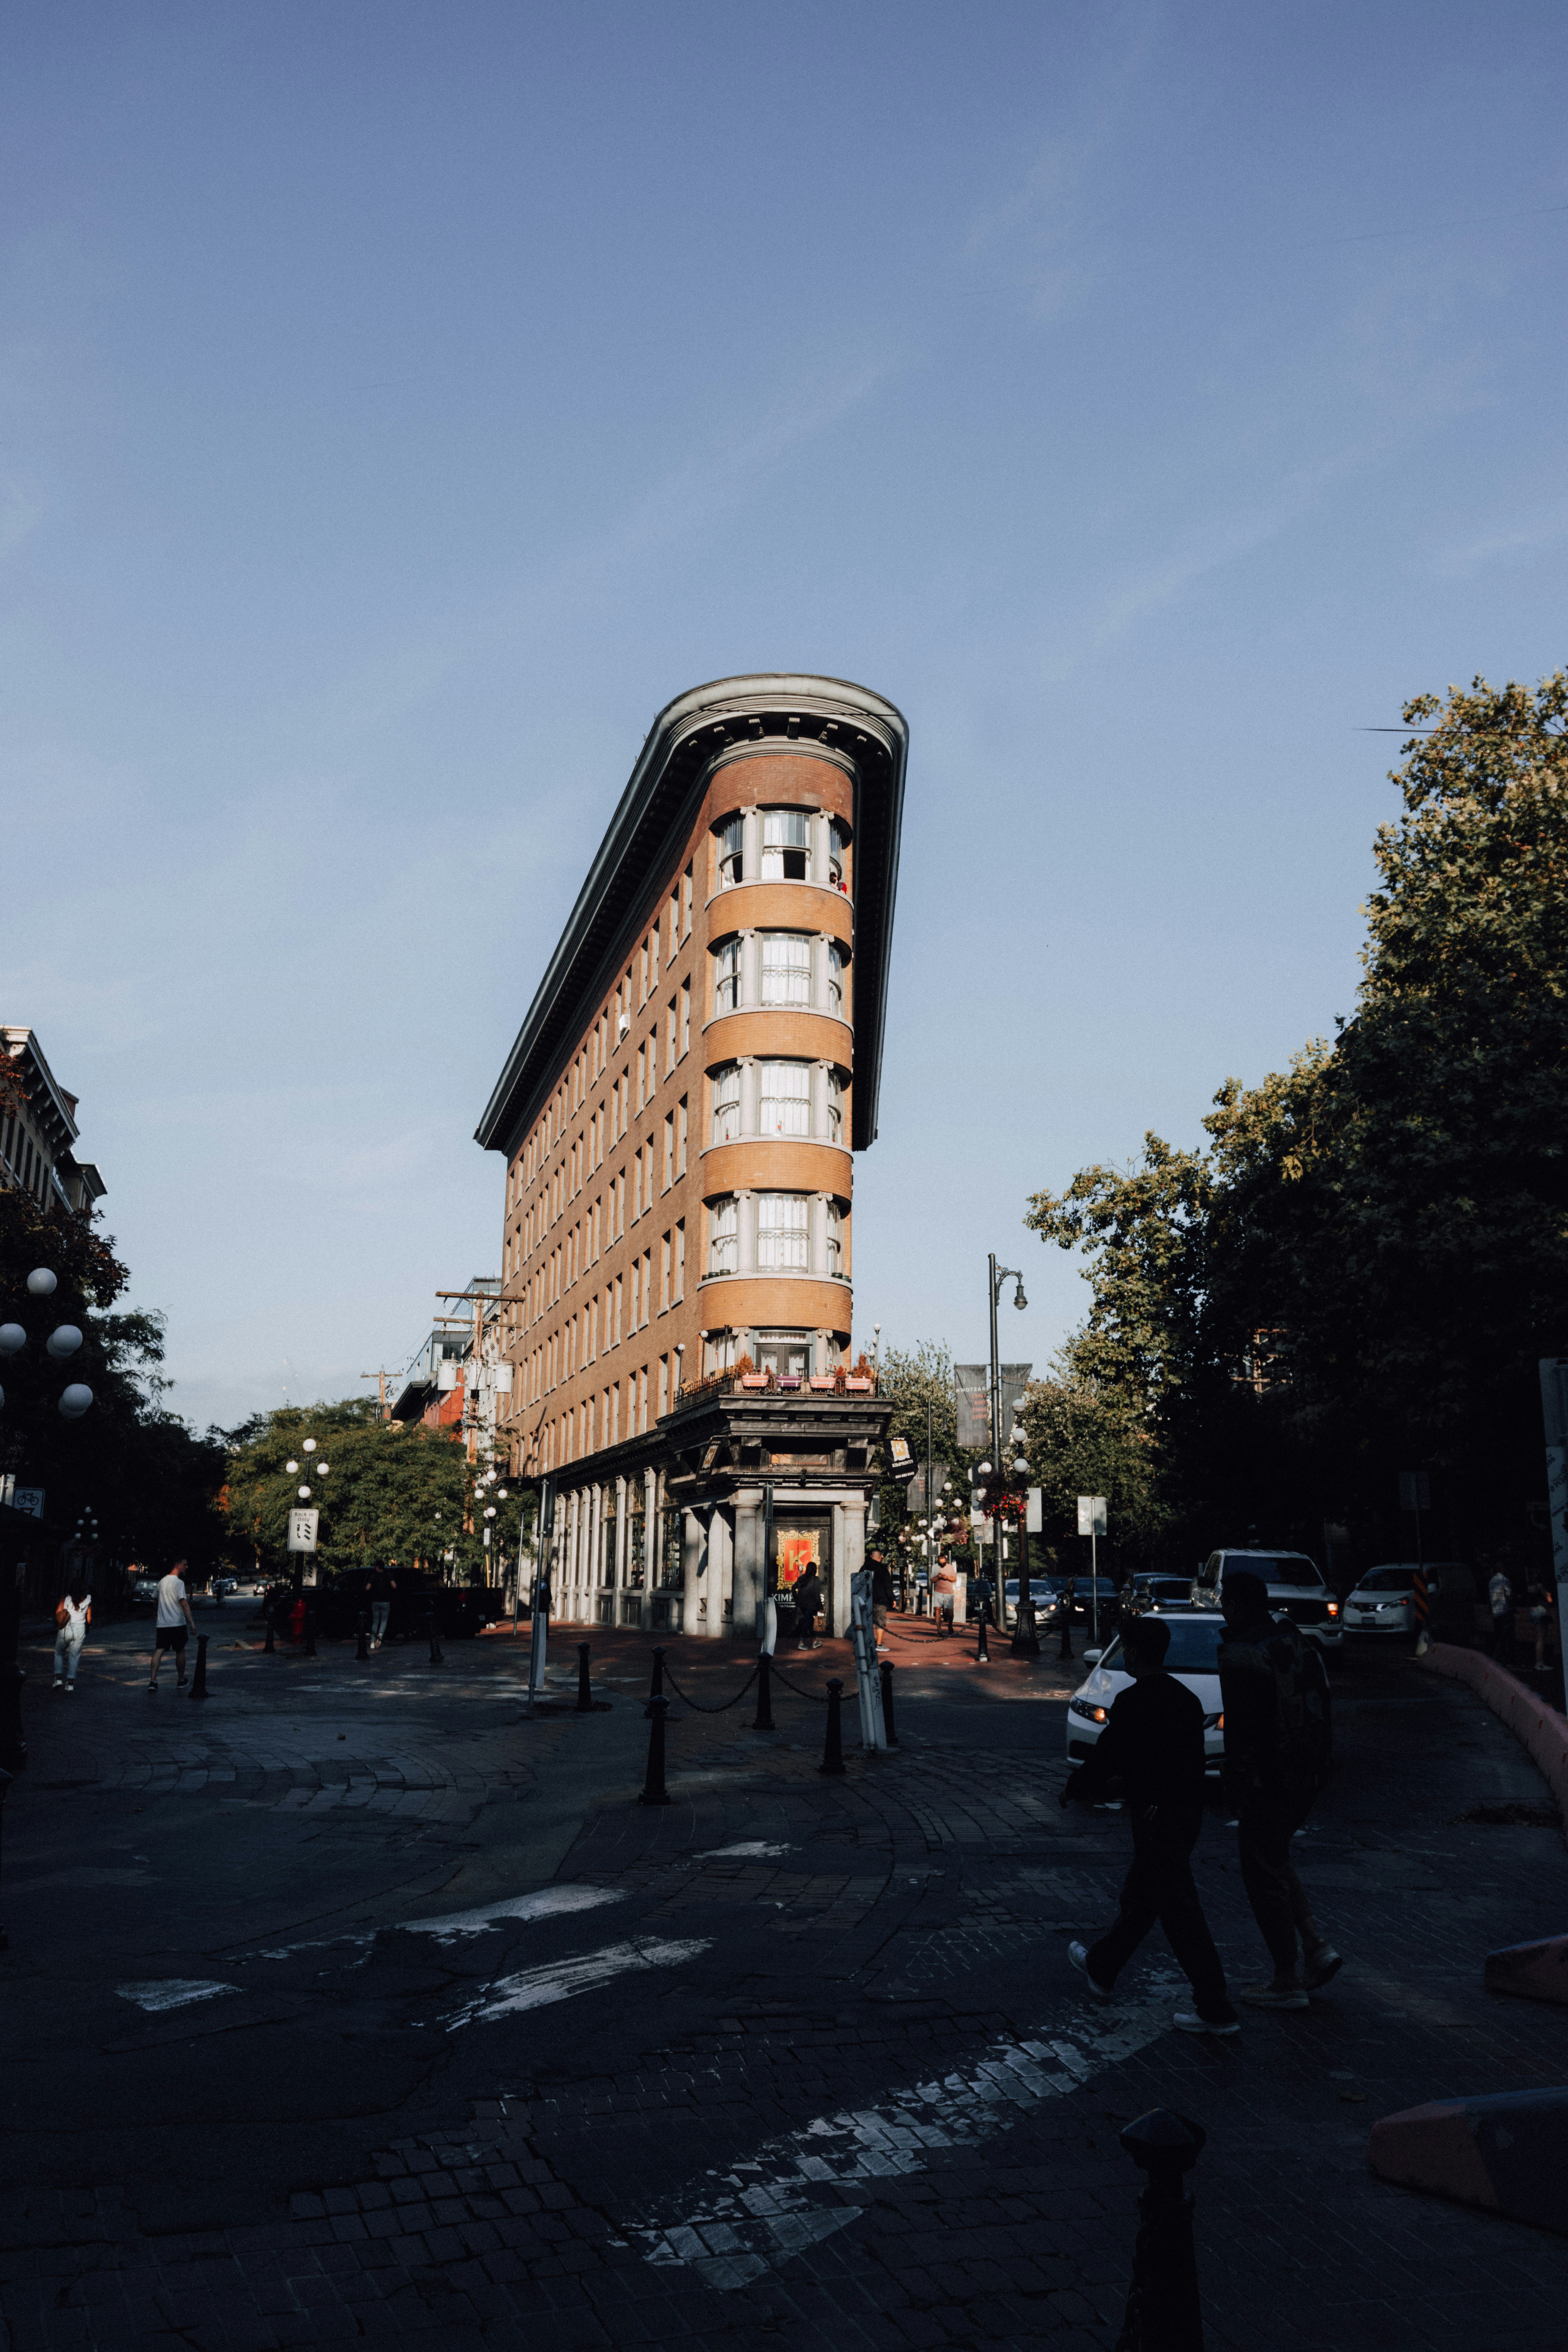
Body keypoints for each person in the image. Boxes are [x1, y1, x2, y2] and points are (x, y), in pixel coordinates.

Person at [1060, 1615, 1239, 2036]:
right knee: (1143, 1895)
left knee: (1178, 1910)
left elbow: (1109, 1754)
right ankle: (1103, 1966)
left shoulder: (1134, 1701)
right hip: (1183, 1812)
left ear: (1135, 1653)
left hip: (1156, 1813)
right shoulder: (1184, 1699)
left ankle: (1215, 2007)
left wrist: (1077, 1787)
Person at [1217, 1569, 1341, 2009]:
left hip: (1270, 1779)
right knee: (1274, 1857)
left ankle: (1286, 1977)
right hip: (1309, 1771)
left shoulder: (1242, 1654)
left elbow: (1245, 1730)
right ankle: (1314, 1943)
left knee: (1261, 1869)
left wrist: (1238, 1784)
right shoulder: (1294, 1642)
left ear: (1234, 1604)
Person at [149, 1560, 196, 1689]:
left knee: (159, 1650)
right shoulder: (179, 1583)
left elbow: (154, 1598)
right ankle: (181, 1680)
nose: (187, 1567)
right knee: (180, 1650)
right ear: (178, 1565)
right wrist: (192, 1622)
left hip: (163, 1624)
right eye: (185, 1564)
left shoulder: (162, 1582)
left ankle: (153, 1681)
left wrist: (156, 1612)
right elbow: (184, 1603)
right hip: (177, 1624)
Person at [53, 1589, 91, 1690]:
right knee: (74, 1657)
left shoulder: (65, 1598)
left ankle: (58, 1679)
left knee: (59, 1653)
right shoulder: (88, 1599)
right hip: (80, 1630)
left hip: (66, 1628)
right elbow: (89, 1618)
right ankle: (70, 1684)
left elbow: (58, 1612)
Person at [1526, 1572, 1556, 1673]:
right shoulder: (1540, 1586)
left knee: (1540, 1637)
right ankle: (1540, 1663)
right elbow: (1549, 1600)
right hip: (1540, 1610)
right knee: (1541, 1638)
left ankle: (1540, 1662)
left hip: (1533, 1610)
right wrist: (1548, 1595)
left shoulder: (1530, 1587)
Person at [792, 1563, 823, 1649]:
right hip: (811, 1605)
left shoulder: (802, 1578)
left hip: (802, 1605)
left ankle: (814, 1642)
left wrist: (796, 1599)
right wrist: (821, 1608)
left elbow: (793, 1588)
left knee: (810, 1621)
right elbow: (817, 1596)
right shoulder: (816, 1580)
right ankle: (801, 1643)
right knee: (807, 1622)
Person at [367, 1562, 396, 1649]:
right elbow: (395, 1586)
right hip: (386, 1601)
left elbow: (368, 1588)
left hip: (375, 1601)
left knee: (375, 1622)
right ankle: (380, 1636)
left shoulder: (373, 1576)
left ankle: (372, 1642)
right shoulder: (388, 1575)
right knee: (384, 1621)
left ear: (377, 1567)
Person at [870, 1550, 895, 1654]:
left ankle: (868, 1643)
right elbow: (888, 1585)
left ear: (871, 1557)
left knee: (868, 1622)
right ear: (881, 1558)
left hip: (867, 1599)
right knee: (880, 1622)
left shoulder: (864, 1568)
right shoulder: (883, 1569)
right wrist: (892, 1599)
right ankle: (879, 1644)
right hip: (880, 1600)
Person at [1488, 1567, 1514, 1664]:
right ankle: (1506, 1657)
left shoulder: (1492, 1582)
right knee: (1507, 1635)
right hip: (1505, 1611)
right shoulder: (1505, 1580)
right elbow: (1509, 1597)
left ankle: (1498, 1657)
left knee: (1498, 1634)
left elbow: (1491, 1597)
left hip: (1496, 1612)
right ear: (1503, 1570)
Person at [932, 1553, 958, 1637]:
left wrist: (947, 1578)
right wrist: (938, 1577)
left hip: (949, 1592)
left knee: (950, 1613)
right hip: (938, 1592)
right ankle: (939, 1631)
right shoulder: (935, 1567)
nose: (942, 1565)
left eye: (943, 1563)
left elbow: (955, 1579)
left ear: (946, 1561)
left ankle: (950, 1625)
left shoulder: (950, 1567)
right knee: (938, 1610)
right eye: (940, 1563)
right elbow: (932, 1581)